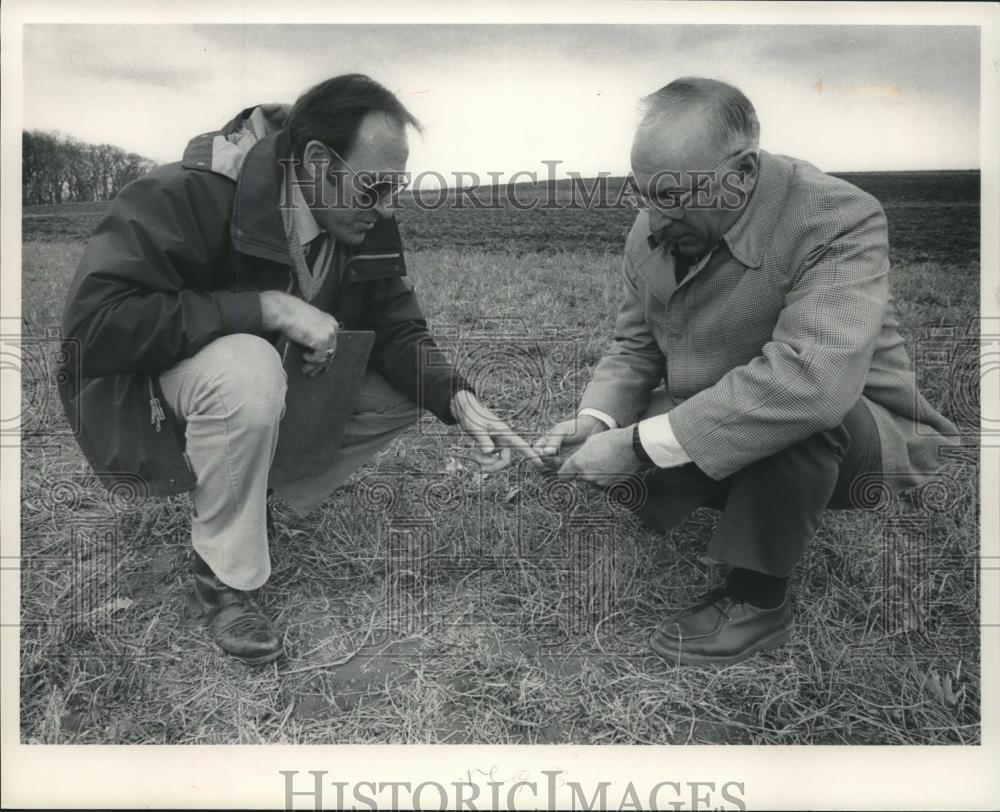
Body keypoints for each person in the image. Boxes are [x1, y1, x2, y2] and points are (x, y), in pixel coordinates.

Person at [59, 74, 540, 666]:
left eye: (397, 187)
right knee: (249, 363)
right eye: (375, 187)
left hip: (247, 394)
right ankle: (223, 578)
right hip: (156, 397)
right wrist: (266, 308)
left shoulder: (363, 218)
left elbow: (397, 327)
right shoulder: (191, 192)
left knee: (406, 387)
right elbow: (92, 330)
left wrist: (458, 398)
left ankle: (248, 494)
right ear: (316, 161)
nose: (388, 206)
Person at [534, 77, 959, 666]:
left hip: (859, 437)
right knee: (654, 431)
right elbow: (635, 346)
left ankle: (758, 601)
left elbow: (812, 381)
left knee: (797, 410)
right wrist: (597, 420)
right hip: (732, 406)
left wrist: (634, 447)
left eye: (674, 197)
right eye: (643, 193)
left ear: (742, 173)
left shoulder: (837, 219)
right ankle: (726, 492)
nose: (654, 219)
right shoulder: (653, 227)